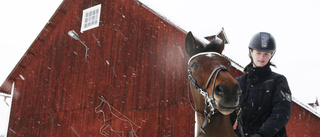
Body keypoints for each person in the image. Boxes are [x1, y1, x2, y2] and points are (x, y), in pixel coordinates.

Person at [230, 32, 292, 137]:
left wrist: (262, 135)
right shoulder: (239, 83)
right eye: (258, 53)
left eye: (266, 54)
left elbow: (281, 113)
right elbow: (230, 113)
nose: (261, 57)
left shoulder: (279, 81)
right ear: (251, 52)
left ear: (271, 55)